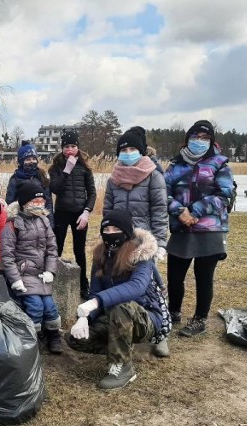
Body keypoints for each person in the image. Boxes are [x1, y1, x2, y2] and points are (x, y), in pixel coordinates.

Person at [66, 210, 171, 390]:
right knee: (75, 338)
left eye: (116, 229)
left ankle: (123, 366)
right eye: (106, 230)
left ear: (127, 232)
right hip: (114, 317)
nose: (110, 234)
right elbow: (95, 292)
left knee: (120, 306)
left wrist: (96, 302)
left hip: (146, 317)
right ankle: (122, 345)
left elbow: (136, 287)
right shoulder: (101, 255)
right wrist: (86, 318)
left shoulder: (142, 255)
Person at [164, 120, 234, 337]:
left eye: (205, 138)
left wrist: (194, 211)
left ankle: (200, 319)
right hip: (181, 228)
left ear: (212, 141)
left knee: (204, 276)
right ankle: (173, 312)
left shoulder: (220, 164)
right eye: (195, 137)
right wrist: (179, 211)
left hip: (210, 229)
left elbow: (225, 195)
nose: (199, 141)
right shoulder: (175, 166)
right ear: (187, 140)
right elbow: (161, 193)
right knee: (175, 275)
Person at [103, 126, 168, 302]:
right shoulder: (113, 179)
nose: (128, 153)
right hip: (119, 237)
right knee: (120, 276)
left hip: (144, 239)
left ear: (141, 151)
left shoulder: (154, 176)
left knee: (144, 281)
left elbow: (160, 211)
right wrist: (107, 233)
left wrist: (160, 242)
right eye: (124, 150)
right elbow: (108, 209)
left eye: (132, 149)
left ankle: (154, 309)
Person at [0, 182, 62, 354]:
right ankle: (31, 338)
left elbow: (52, 249)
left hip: (42, 274)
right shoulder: (12, 224)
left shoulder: (44, 221)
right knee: (35, 305)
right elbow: (7, 256)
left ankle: (53, 335)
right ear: (25, 202)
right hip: (24, 274)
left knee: (50, 306)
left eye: (42, 200)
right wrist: (15, 279)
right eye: (35, 201)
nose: (39, 204)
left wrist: (51, 270)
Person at [49, 130, 97, 300]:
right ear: (62, 148)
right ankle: (52, 281)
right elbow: (54, 188)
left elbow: (92, 192)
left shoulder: (85, 167)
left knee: (79, 251)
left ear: (78, 147)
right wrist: (67, 170)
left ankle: (83, 284)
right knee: (57, 248)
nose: (70, 149)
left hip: (79, 214)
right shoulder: (56, 166)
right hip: (61, 212)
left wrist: (86, 212)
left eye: (73, 146)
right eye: (66, 146)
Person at [5, 143, 54, 227]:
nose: (31, 161)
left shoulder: (42, 177)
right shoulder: (15, 180)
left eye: (34, 159)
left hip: (41, 222)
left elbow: (48, 203)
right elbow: (9, 203)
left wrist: (51, 224)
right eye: (28, 159)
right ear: (21, 161)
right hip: (22, 222)